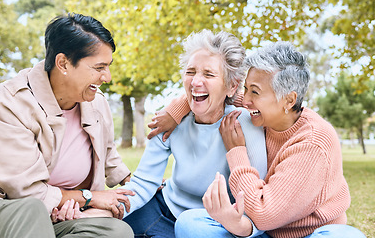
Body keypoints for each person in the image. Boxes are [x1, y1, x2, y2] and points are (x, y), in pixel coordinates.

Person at [151, 42, 366, 237]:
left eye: (255, 92)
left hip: (309, 233)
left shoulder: (312, 143)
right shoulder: (263, 111)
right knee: (190, 223)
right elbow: (210, 92)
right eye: (246, 88)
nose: (245, 99)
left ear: (289, 99)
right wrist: (174, 111)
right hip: (258, 232)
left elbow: (264, 213)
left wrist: (236, 152)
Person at [0, 13, 134, 238]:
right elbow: (26, 192)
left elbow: (108, 154)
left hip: (65, 211)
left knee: (116, 232)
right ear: (63, 63)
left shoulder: (96, 102)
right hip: (7, 210)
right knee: (32, 210)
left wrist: (135, 180)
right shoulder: (9, 102)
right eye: (99, 67)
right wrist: (87, 197)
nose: (107, 77)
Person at [117, 29, 268, 238]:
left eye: (208, 74)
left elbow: (256, 200)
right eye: (190, 72)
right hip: (166, 208)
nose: (196, 82)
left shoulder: (248, 124)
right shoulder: (170, 120)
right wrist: (107, 208)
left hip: (215, 223)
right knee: (113, 225)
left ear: (232, 86)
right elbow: (143, 183)